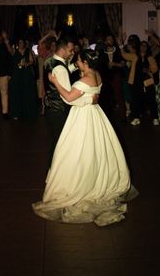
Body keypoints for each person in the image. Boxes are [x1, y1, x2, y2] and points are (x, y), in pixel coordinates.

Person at [33, 49, 137, 226]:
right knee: (97, 150)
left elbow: (67, 98)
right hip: (95, 115)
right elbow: (94, 96)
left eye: (79, 61)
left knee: (75, 152)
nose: (76, 62)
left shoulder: (84, 80)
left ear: (86, 63)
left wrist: (55, 81)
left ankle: (78, 185)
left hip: (82, 117)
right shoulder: (96, 74)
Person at [42, 37, 75, 165]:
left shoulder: (49, 61)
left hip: (50, 106)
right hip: (59, 109)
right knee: (59, 141)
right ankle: (54, 169)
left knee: (56, 138)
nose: (72, 53)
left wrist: (75, 66)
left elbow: (61, 71)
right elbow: (68, 95)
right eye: (70, 50)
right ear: (62, 50)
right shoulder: (60, 68)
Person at [9, 38, 38, 121]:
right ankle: (17, 113)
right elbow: (10, 53)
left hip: (26, 74)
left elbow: (32, 61)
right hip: (17, 74)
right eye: (19, 42)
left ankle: (27, 113)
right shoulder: (15, 50)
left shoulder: (28, 51)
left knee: (26, 92)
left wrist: (26, 63)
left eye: (22, 42)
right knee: (17, 93)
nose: (20, 44)